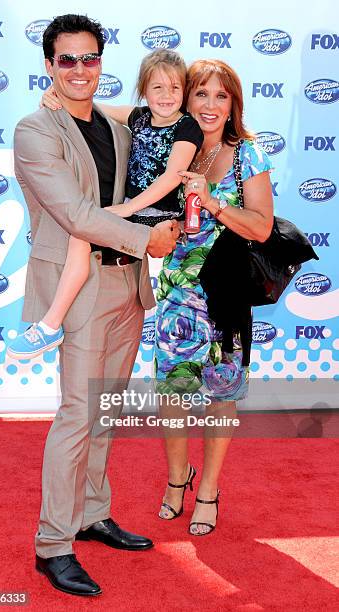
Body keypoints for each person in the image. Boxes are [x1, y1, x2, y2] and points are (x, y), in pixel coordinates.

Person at [13, 14, 180, 597]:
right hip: (80, 291)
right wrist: (148, 241)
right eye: (67, 60)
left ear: (100, 63)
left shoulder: (116, 128)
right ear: (49, 65)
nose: (80, 70)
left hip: (128, 286)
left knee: (104, 412)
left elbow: (158, 137)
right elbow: (76, 214)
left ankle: (91, 513)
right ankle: (53, 543)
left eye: (90, 59)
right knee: (77, 416)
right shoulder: (35, 131)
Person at [7, 49, 203, 359]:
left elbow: (171, 178)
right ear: (143, 91)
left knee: (85, 229)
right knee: (81, 232)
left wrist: (126, 209)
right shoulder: (139, 117)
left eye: (175, 87)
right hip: (133, 214)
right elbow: (91, 106)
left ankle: (50, 323)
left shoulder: (187, 126)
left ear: (185, 91)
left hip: (159, 214)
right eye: (157, 88)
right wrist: (54, 93)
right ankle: (51, 323)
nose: (166, 95)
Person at [155, 59, 274, 535]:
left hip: (223, 296)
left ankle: (209, 490)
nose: (208, 104)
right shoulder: (175, 148)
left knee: (221, 397)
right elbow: (126, 113)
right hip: (175, 295)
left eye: (219, 96)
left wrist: (215, 203)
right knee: (172, 397)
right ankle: (175, 482)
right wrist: (61, 98)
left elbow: (262, 227)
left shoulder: (249, 153)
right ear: (186, 100)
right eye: (200, 94)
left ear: (233, 105)